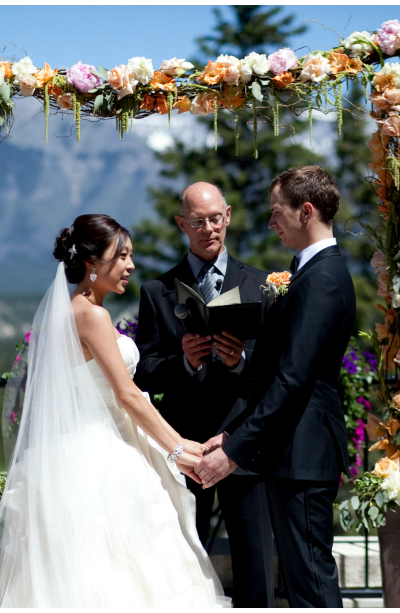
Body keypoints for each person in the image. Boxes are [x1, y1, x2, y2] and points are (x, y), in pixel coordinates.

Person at [0, 214, 229, 607]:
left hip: (71, 454)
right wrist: (179, 448)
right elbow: (129, 396)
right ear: (92, 263)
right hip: (104, 457)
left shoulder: (68, 311)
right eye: (122, 256)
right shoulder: (93, 315)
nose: (130, 266)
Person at [196, 165, 355, 608]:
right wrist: (231, 434)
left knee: (310, 583)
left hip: (304, 456)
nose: (270, 223)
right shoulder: (308, 272)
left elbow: (293, 379)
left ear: (305, 211)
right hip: (291, 453)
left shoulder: (321, 279)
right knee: (300, 581)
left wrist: (233, 451)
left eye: (276, 212)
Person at [133, 182, 275, 606]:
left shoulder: (262, 286)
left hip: (242, 443)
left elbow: (274, 374)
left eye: (215, 218)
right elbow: (146, 373)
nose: (209, 228)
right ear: (182, 224)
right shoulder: (158, 292)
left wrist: (240, 362)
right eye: (198, 221)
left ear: (228, 215)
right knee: (177, 562)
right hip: (185, 448)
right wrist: (186, 362)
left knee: (256, 564)